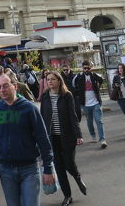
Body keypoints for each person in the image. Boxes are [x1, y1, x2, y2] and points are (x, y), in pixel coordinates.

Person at [0, 73, 55, 206]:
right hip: (6, 170)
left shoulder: (29, 108)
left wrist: (48, 168)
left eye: (5, 86)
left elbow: (43, 138)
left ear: (15, 86)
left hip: (29, 169)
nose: (2, 90)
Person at [40, 71, 87, 206]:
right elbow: (42, 117)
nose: (50, 81)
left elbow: (73, 116)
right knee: (59, 168)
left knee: (69, 164)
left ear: (59, 81)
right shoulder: (44, 97)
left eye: (53, 79)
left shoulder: (67, 96)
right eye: (48, 79)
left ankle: (77, 178)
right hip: (52, 138)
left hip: (67, 136)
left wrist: (78, 135)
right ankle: (67, 196)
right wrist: (41, 138)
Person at [73, 61, 108, 149]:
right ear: (82, 68)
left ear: (91, 68)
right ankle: (93, 136)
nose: (86, 70)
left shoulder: (95, 75)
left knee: (99, 121)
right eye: (85, 68)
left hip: (96, 102)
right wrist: (78, 94)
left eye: (88, 68)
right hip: (85, 103)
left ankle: (102, 140)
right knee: (89, 121)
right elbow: (73, 85)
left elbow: (101, 80)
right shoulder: (79, 76)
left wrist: (97, 88)